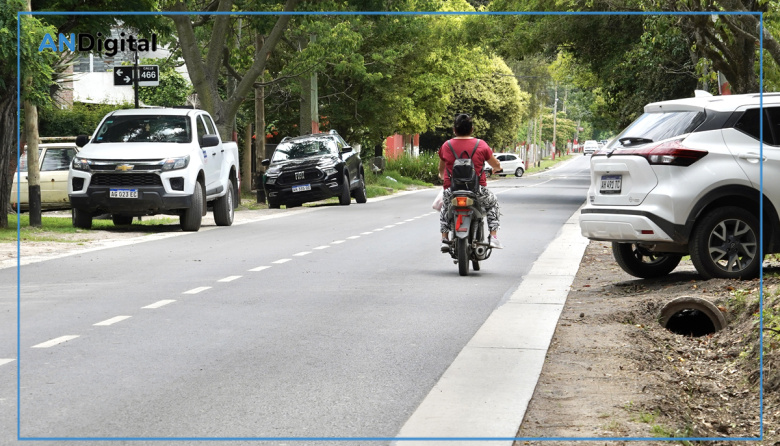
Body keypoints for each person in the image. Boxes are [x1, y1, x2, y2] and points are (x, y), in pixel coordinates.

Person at [438, 113, 503, 253]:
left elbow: (441, 169)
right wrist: (497, 168)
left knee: (445, 206)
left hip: (452, 190)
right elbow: (495, 164)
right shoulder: (481, 145)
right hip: (477, 190)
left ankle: (444, 238)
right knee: (492, 203)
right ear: (472, 129)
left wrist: (442, 177)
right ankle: (493, 237)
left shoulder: (446, 146)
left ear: (454, 130)